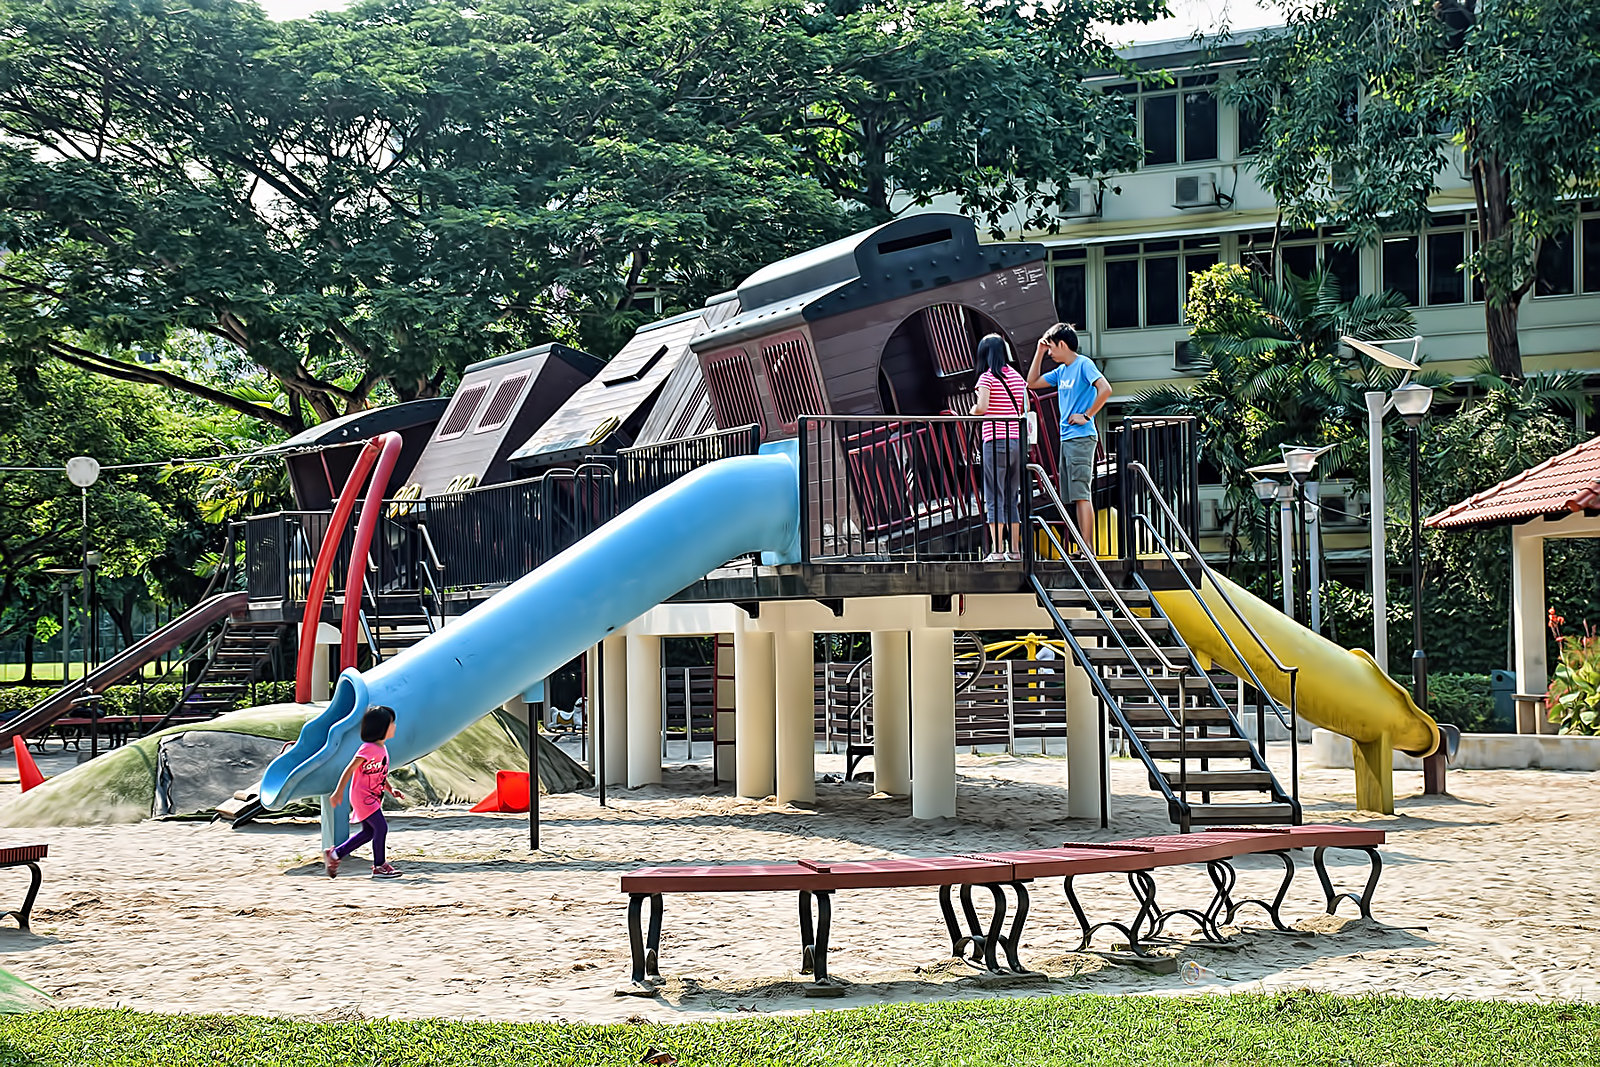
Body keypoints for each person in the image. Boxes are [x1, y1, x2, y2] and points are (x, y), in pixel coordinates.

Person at [1027, 323, 1112, 555]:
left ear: (1063, 344)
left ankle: (1087, 548)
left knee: (1081, 494)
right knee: (1073, 495)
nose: (1050, 353)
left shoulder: (1084, 364)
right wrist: (1039, 351)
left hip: (1081, 437)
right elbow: (1032, 383)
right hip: (1068, 439)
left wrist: (1087, 415)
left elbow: (1105, 389)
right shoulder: (1062, 371)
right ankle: (1083, 546)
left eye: (1052, 347)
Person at [323, 705, 405, 880]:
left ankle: (336, 854)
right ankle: (379, 866)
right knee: (381, 828)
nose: (395, 726)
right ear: (381, 727)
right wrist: (338, 792)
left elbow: (381, 773)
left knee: (369, 832)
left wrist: (391, 790)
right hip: (363, 797)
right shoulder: (367, 748)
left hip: (373, 796)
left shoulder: (382, 749)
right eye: (392, 723)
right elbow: (350, 769)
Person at [969, 333, 1030, 561]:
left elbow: (982, 407)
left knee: (994, 495)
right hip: (1016, 442)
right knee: (1012, 497)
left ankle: (996, 551)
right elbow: (1025, 407)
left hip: (995, 441)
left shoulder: (987, 378)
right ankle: (1014, 550)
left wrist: (972, 411)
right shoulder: (1017, 377)